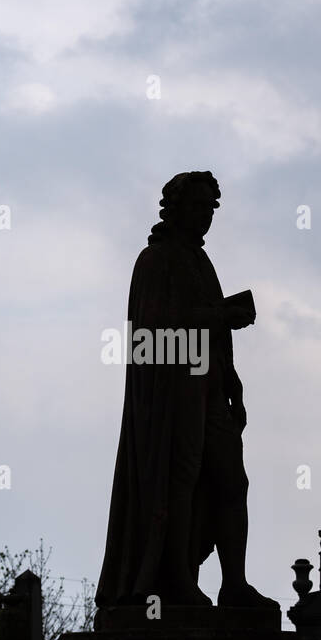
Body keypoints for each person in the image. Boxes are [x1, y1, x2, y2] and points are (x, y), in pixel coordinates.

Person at [97, 171, 279, 611]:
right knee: (179, 483)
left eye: (211, 209)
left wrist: (232, 380)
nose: (205, 217)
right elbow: (155, 331)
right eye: (198, 207)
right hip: (173, 397)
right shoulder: (155, 260)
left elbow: (209, 332)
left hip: (210, 392)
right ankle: (176, 581)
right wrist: (222, 315)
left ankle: (234, 584)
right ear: (176, 209)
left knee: (232, 483)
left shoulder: (200, 262)